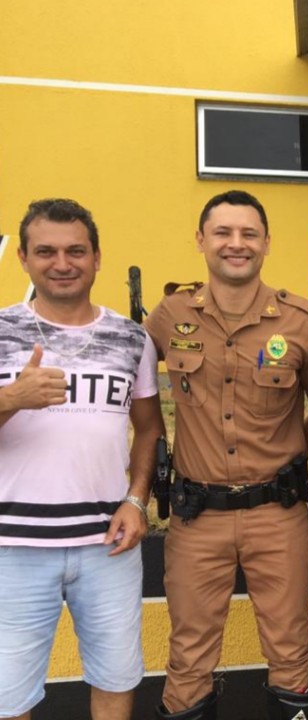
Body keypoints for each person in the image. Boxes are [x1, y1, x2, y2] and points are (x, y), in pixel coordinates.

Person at [145, 190, 308, 720]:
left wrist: (300, 442)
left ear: (266, 243)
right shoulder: (169, 314)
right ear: (201, 240)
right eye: (223, 233)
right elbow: (128, 389)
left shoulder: (299, 320)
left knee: (290, 651)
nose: (236, 244)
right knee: (188, 658)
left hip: (278, 513)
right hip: (197, 516)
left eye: (249, 233)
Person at [0, 198, 164, 720]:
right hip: (14, 546)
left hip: (107, 543)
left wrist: (137, 499)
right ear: (24, 258)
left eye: (76, 250)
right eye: (45, 251)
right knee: (9, 694)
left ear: (97, 258)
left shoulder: (132, 338)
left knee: (116, 676)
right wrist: (10, 399)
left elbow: (148, 427)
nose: (62, 262)